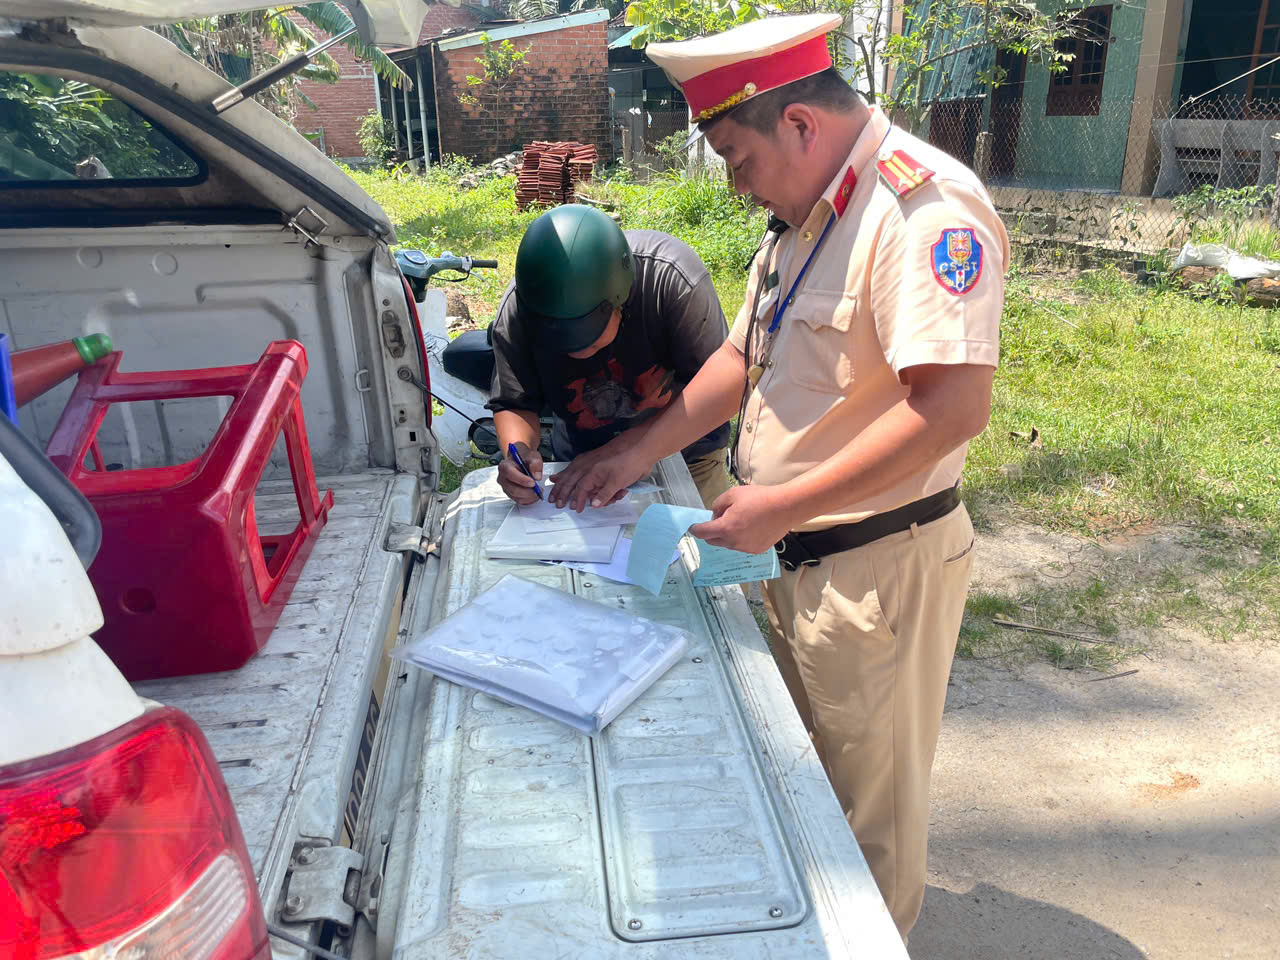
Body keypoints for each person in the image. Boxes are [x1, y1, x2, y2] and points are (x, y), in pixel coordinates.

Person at [546, 13, 1009, 941]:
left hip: (874, 571)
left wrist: (783, 504)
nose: (734, 181)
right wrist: (634, 454)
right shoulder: (806, 221)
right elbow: (739, 357)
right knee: (808, 794)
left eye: (736, 156)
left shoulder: (922, 213)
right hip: (794, 558)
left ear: (800, 124)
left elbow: (952, 408)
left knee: (869, 823)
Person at [488, 204, 732, 509]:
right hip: (581, 467)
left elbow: (722, 390)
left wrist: (629, 449)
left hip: (688, 460)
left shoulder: (671, 281)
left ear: (621, 300)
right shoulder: (520, 307)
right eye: (557, 340)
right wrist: (519, 454)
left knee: (696, 538)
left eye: (589, 336)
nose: (575, 352)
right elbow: (515, 401)